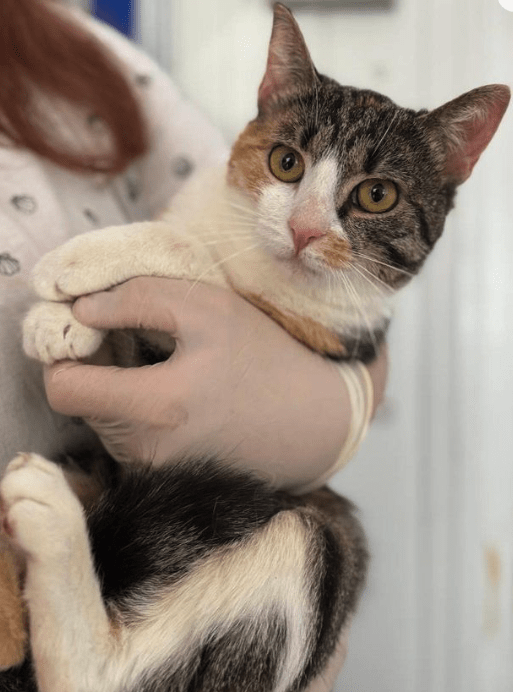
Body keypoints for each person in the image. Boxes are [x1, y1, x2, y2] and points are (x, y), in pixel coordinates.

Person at [0, 0, 388, 685]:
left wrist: (335, 405)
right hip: (55, 592)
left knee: (323, 547)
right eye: (294, 163)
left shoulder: (89, 56)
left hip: (152, 582)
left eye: (374, 196)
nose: (306, 220)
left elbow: (229, 197)